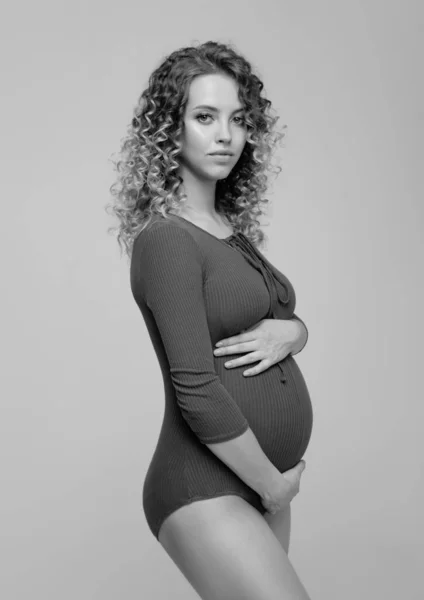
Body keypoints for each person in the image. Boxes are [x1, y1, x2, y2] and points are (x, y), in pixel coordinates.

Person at [107, 40, 314, 600]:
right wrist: (272, 485)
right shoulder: (168, 238)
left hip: (258, 482)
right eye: (205, 117)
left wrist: (296, 333)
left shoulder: (226, 229)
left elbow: (278, 317)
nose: (225, 135)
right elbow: (195, 384)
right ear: (168, 128)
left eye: (238, 120)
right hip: (206, 484)